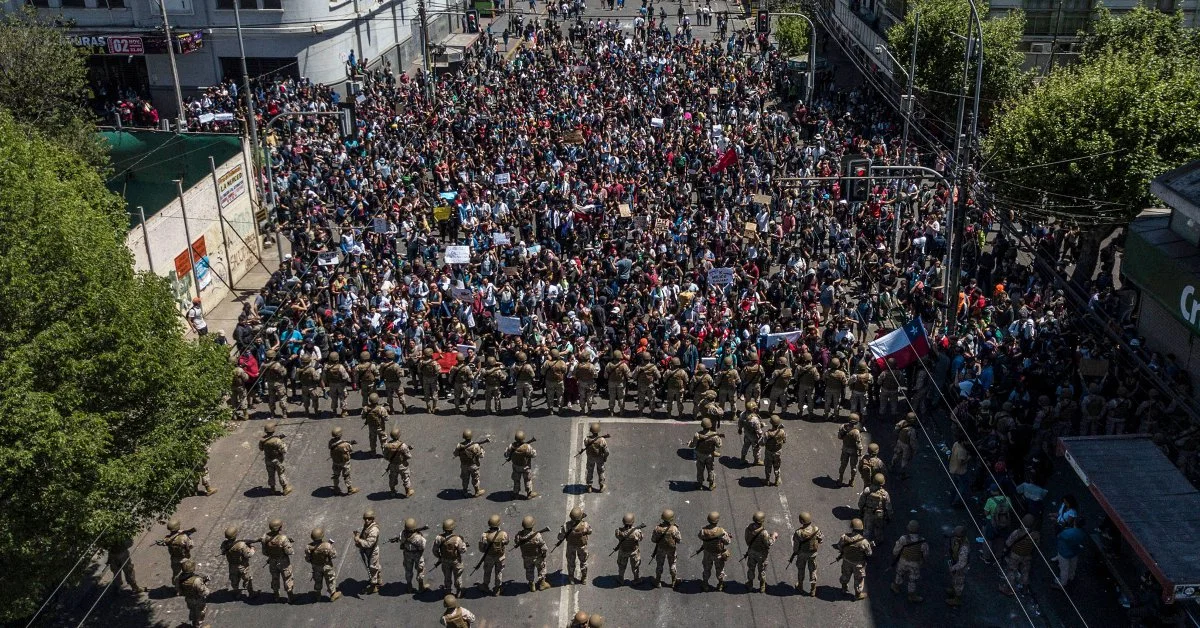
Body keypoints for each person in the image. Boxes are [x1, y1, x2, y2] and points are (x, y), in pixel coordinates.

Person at [890, 520, 929, 603]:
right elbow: (925, 554)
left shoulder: (903, 538)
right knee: (912, 580)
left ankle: (896, 587)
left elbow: (896, 550)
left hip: (903, 561)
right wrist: (923, 561)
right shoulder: (922, 541)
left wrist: (895, 557)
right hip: (915, 563)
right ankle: (912, 596)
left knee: (899, 574)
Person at [835, 518, 872, 600]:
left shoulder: (844, 537)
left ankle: (844, 588)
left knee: (845, 575)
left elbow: (839, 547)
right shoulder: (864, 541)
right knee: (859, 579)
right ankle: (858, 594)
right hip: (858, 564)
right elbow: (869, 553)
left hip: (846, 561)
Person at [261, 519, 296, 603]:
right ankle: (290, 597)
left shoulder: (264, 537)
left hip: (272, 561)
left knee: (274, 578)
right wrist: (289, 544)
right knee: (287, 578)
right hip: (283, 562)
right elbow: (290, 552)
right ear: (279, 528)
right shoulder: (283, 538)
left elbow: (264, 552)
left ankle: (276, 596)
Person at [744, 511, 778, 593]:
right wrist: (774, 536)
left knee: (751, 568)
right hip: (761, 554)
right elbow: (769, 543)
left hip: (751, 552)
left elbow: (747, 540)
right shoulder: (764, 532)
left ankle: (750, 584)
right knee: (762, 570)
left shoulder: (748, 528)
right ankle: (762, 586)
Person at [790, 512, 823, 596]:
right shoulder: (816, 529)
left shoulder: (798, 532)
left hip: (802, 554)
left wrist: (795, 553)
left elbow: (796, 546)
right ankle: (813, 590)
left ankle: (800, 586)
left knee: (801, 569)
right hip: (812, 554)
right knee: (812, 570)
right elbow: (821, 539)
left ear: (801, 521)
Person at [698, 511, 732, 592]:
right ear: (717, 521)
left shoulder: (703, 530)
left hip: (707, 553)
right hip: (718, 554)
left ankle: (705, 584)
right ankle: (720, 585)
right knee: (720, 569)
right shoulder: (721, 531)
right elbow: (727, 542)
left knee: (706, 569)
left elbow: (700, 536)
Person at [515, 516, 551, 592]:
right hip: (537, 557)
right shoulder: (537, 535)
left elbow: (516, 542)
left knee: (529, 570)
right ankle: (542, 584)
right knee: (541, 569)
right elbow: (544, 547)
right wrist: (544, 554)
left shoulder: (519, 536)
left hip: (526, 557)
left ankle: (532, 585)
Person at [433, 519, 468, 596]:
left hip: (445, 560)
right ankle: (458, 592)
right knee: (458, 576)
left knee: (447, 577)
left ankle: (448, 592)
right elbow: (463, 550)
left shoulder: (439, 538)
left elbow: (435, 550)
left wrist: (440, 557)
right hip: (455, 561)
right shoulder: (457, 539)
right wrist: (464, 544)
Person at [305, 527, 340, 601]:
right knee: (330, 579)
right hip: (326, 566)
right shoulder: (327, 545)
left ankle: (318, 594)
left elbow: (307, 559)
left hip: (316, 567)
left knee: (317, 580)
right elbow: (334, 555)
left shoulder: (308, 547)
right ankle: (333, 594)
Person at [559, 507, 592, 584]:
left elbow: (560, 537)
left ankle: (571, 578)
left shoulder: (566, 526)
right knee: (583, 562)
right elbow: (590, 531)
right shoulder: (585, 525)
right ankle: (584, 578)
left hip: (571, 546)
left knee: (571, 563)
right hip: (582, 546)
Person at [220, 526, 256, 598]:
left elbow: (222, 551)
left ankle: (236, 593)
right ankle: (251, 593)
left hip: (232, 565)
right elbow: (248, 555)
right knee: (247, 579)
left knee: (234, 580)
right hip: (242, 566)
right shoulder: (241, 545)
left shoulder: (224, 544)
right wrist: (252, 548)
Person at [1052, 516, 1087, 590]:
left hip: (1064, 552)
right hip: (1074, 551)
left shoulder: (1067, 532)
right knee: (1073, 565)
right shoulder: (1082, 533)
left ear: (1074, 522)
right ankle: (1071, 576)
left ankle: (1062, 583)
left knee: (1064, 568)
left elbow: (1059, 536)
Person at [353, 510, 383, 594]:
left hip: (372, 551)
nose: (366, 520)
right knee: (375, 566)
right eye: (365, 519)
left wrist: (359, 540)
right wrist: (359, 536)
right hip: (367, 550)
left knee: (372, 568)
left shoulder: (374, 530)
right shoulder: (367, 525)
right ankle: (379, 580)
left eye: (369, 519)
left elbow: (369, 544)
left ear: (372, 519)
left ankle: (373, 587)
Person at [651, 509, 683, 588]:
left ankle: (658, 581)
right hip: (671, 550)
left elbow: (653, 540)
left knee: (659, 565)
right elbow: (679, 540)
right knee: (672, 564)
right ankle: (674, 581)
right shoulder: (674, 529)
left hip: (660, 549)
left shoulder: (657, 528)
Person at [398, 517, 430, 594]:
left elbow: (401, 542)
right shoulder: (418, 537)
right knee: (420, 570)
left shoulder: (402, 534)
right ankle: (421, 586)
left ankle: (409, 587)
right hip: (417, 555)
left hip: (407, 554)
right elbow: (423, 546)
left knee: (408, 570)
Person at [689, 418, 722, 491]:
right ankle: (711, 484)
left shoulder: (697, 434)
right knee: (710, 469)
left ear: (702, 425)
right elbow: (719, 445)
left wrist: (689, 443)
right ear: (710, 426)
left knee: (700, 469)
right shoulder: (714, 436)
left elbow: (693, 445)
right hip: (709, 455)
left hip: (700, 455)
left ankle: (700, 484)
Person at [478, 514, 508, 595]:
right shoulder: (503, 534)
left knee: (487, 571)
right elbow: (506, 542)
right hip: (500, 557)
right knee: (499, 572)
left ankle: (485, 585)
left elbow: (481, 549)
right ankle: (497, 589)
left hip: (489, 557)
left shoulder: (484, 535)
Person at [505, 430, 539, 499]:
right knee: (527, 480)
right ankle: (529, 494)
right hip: (525, 467)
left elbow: (506, 455)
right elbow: (534, 454)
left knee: (516, 480)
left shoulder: (511, 446)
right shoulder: (527, 447)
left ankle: (516, 494)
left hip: (516, 467)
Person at [176, 559, 210, 628]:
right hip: (198, 600)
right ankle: (198, 625)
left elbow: (179, 590)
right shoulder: (196, 581)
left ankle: (194, 623)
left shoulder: (178, 578)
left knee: (193, 611)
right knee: (200, 613)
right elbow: (205, 592)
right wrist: (205, 584)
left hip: (188, 599)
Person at [453, 429, 486, 497]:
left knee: (465, 478)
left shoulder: (459, 446)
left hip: (464, 465)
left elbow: (455, 454)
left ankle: (465, 491)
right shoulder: (476, 446)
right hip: (473, 465)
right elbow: (481, 455)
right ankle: (477, 491)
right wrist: (482, 449)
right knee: (475, 478)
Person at [383, 427, 414, 497]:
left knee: (392, 478)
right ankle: (408, 492)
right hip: (402, 465)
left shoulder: (387, 445)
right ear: (398, 436)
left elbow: (385, 456)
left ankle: (392, 491)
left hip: (392, 465)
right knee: (406, 478)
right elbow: (409, 456)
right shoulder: (403, 445)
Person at [613, 513, 643, 586]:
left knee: (621, 566)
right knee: (635, 567)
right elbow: (641, 538)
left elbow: (617, 536)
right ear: (632, 522)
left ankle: (621, 579)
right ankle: (636, 579)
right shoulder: (637, 532)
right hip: (634, 552)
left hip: (623, 551)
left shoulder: (618, 531)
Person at [328, 426, 359, 495]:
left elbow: (330, 447)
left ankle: (336, 488)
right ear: (340, 435)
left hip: (335, 462)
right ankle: (350, 489)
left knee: (335, 475)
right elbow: (350, 449)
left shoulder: (331, 442)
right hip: (344, 463)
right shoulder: (345, 444)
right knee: (346, 475)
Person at [583, 422, 609, 493]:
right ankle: (601, 486)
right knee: (601, 471)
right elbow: (606, 451)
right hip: (599, 458)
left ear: (591, 431)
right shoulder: (602, 440)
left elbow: (586, 445)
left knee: (590, 471)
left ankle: (589, 486)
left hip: (590, 458)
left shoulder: (586, 439)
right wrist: (605, 457)